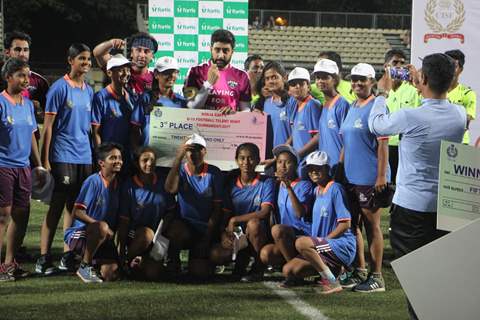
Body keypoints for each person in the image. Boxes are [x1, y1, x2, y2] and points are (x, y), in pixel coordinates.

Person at [369, 53, 466, 319]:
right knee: (438, 277)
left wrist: (381, 94)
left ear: (422, 78)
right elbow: (435, 103)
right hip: (445, 206)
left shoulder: (411, 116)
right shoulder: (459, 114)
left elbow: (376, 126)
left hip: (412, 207)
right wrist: (423, 85)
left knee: (418, 281)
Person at [36, 43, 94, 275]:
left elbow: (88, 129)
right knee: (57, 207)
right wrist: (45, 160)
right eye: (82, 59)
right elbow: (47, 128)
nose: (87, 63)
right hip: (62, 155)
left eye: (88, 59)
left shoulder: (88, 90)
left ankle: (67, 254)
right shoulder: (59, 88)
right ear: (70, 61)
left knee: (74, 207)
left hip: (84, 157)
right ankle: (43, 258)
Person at [339, 63, 390, 293]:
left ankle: (377, 276)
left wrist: (381, 176)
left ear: (372, 82)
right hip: (351, 176)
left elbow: (383, 145)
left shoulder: (377, 107)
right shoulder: (353, 105)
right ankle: (360, 271)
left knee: (372, 226)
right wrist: (340, 166)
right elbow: (346, 142)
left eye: (363, 80)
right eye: (354, 79)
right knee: (355, 225)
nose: (358, 83)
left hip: (369, 177)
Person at [282, 151, 356, 294]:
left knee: (301, 243)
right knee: (288, 270)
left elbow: (345, 224)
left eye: (317, 168)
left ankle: (332, 282)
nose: (313, 172)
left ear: (327, 169)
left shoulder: (336, 188)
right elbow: (300, 213)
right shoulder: (316, 190)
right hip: (325, 247)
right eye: (310, 169)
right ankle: (334, 270)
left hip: (341, 245)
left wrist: (323, 241)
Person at [0, 58, 43, 282]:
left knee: (21, 215)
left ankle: (9, 263)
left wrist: (38, 164)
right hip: (3, 166)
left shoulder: (27, 104)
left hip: (23, 168)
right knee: (3, 216)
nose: (26, 80)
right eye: (21, 75)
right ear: (8, 77)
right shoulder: (0, 102)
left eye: (27, 75)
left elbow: (32, 137)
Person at [210, 143, 274, 282]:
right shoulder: (231, 184)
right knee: (216, 254)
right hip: (238, 233)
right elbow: (225, 215)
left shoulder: (266, 182)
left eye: (250, 158)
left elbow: (265, 212)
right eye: (242, 158)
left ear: (258, 160)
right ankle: (239, 264)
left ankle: (258, 267)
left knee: (253, 224)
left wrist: (235, 219)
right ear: (236, 160)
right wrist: (223, 234)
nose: (246, 162)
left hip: (258, 234)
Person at [164, 134, 224, 277]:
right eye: (190, 150)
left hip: (206, 228)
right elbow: (170, 189)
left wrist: (207, 237)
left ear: (204, 151)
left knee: (199, 272)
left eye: (198, 150)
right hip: (185, 227)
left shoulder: (214, 173)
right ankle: (173, 260)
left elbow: (217, 209)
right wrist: (178, 158)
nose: (193, 154)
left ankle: (204, 258)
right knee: (176, 229)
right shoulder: (180, 170)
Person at [66, 142, 123, 283]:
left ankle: (85, 262)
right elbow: (77, 212)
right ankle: (84, 266)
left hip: (103, 237)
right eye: (113, 158)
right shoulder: (93, 181)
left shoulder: (119, 185)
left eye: (120, 158)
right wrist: (102, 227)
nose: (118, 161)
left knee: (111, 274)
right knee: (101, 226)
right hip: (80, 234)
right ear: (101, 163)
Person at [117, 146, 176, 280]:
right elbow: (124, 220)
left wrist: (161, 233)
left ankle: (142, 261)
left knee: (152, 274)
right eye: (145, 160)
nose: (149, 163)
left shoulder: (163, 182)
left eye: (152, 160)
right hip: (136, 235)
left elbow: (171, 212)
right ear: (137, 163)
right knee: (146, 234)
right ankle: (126, 261)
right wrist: (120, 250)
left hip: (157, 237)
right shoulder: (129, 186)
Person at [260, 145, 313, 285]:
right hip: (285, 239)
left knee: (277, 229)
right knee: (266, 254)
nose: (282, 166)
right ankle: (293, 266)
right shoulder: (277, 185)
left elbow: (300, 213)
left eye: (288, 162)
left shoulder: (304, 185)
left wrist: (289, 187)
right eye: (279, 162)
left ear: (295, 165)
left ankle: (294, 273)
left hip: (302, 236)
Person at [184, 29, 251, 114]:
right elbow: (190, 106)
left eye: (226, 50)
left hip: (230, 126)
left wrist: (234, 113)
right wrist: (209, 83)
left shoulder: (242, 76)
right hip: (201, 126)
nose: (221, 55)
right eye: (217, 50)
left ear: (232, 52)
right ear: (211, 49)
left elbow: (246, 110)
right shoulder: (195, 71)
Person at [380, 49, 421, 184]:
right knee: (387, 182)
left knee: (404, 183)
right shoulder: (381, 91)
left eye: (402, 63)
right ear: (386, 66)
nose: (399, 66)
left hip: (407, 145)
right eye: (395, 62)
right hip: (385, 144)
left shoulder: (413, 89)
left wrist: (416, 82)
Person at [130, 56, 186, 149]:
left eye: (175, 72)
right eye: (167, 72)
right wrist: (137, 153)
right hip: (149, 159)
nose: (172, 76)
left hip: (173, 159)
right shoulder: (145, 98)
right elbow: (134, 130)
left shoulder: (182, 102)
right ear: (156, 74)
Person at [254, 61, 296, 169]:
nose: (271, 81)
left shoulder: (293, 101)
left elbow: (296, 132)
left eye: (274, 77)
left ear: (285, 78)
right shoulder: (266, 103)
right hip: (270, 160)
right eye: (267, 79)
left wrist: (280, 154)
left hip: (289, 160)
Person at [3, 31, 49, 124]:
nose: (22, 54)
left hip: (28, 134)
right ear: (7, 52)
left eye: (25, 50)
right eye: (18, 49)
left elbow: (47, 115)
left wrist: (36, 110)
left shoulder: (39, 81)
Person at [312, 59, 350, 170]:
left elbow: (347, 139)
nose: (320, 81)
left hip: (337, 165)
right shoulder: (324, 104)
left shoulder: (342, 104)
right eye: (318, 78)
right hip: (325, 166)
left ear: (334, 79)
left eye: (325, 77)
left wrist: (340, 164)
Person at [93, 32, 158, 95]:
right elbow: (98, 53)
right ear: (132, 52)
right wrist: (111, 43)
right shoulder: (118, 69)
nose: (142, 55)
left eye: (146, 51)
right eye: (138, 50)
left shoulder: (155, 80)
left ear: (152, 56)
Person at [92, 54, 134, 152]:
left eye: (127, 70)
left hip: (127, 155)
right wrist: (100, 156)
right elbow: (95, 132)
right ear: (109, 72)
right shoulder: (100, 97)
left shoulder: (131, 96)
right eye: (121, 70)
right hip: (108, 156)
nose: (126, 73)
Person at [287, 67, 321, 174]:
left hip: (309, 162)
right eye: (293, 84)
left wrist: (298, 154)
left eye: (301, 83)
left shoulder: (312, 105)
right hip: (299, 161)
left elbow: (317, 137)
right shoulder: (294, 104)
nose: (297, 87)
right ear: (289, 89)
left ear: (308, 86)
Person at [444, 49, 476, 145]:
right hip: (438, 141)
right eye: (447, 65)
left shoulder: (468, 93)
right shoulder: (435, 91)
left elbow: (465, 123)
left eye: (454, 66)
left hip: (460, 143)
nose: (450, 69)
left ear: (461, 70)